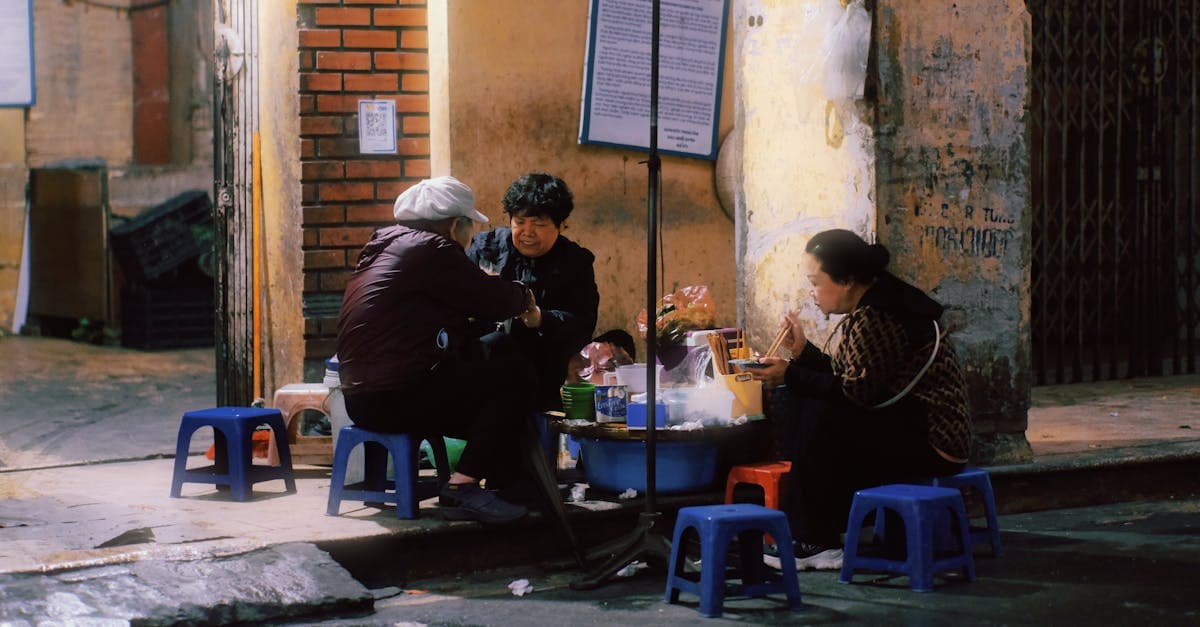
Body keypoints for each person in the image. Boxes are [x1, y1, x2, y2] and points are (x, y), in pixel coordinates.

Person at [749, 229, 973, 570]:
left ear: (847, 281)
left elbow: (854, 392)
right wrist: (802, 354)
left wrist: (790, 374)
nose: (812, 293)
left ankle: (816, 540)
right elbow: (854, 378)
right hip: (907, 424)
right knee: (809, 402)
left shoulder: (878, 316)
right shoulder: (879, 303)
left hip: (934, 441)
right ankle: (836, 527)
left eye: (816, 282)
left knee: (819, 413)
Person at [335, 176, 543, 525]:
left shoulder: (384, 247)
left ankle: (499, 484)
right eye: (468, 228)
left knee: (490, 383)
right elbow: (493, 299)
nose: (469, 237)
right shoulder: (433, 249)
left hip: (360, 400)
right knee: (514, 375)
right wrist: (525, 298)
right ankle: (463, 486)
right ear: (453, 224)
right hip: (395, 398)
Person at [466, 173, 600, 410]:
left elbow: (583, 323)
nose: (527, 232)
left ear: (562, 225)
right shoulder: (486, 247)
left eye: (539, 224)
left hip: (545, 367)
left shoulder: (575, 262)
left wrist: (540, 318)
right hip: (487, 367)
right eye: (519, 222)